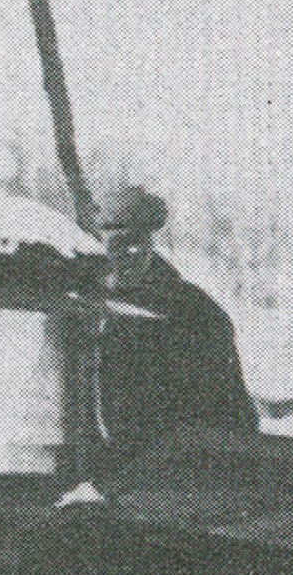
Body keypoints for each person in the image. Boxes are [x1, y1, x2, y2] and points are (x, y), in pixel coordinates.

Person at [88, 185, 258, 445]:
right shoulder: (79, 304)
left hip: (172, 459)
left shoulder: (193, 311)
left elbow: (234, 414)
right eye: (120, 242)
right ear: (100, 246)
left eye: (140, 242)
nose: (133, 252)